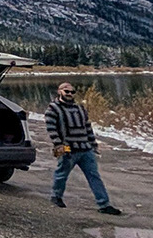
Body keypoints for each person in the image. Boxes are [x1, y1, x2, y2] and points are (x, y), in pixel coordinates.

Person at [45, 82, 122, 214]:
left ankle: (104, 204)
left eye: (72, 92)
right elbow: (51, 129)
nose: (69, 94)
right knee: (61, 174)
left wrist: (93, 144)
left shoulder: (80, 108)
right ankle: (56, 197)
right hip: (68, 148)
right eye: (66, 91)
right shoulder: (53, 109)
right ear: (59, 92)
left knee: (94, 176)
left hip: (85, 148)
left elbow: (88, 128)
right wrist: (59, 145)